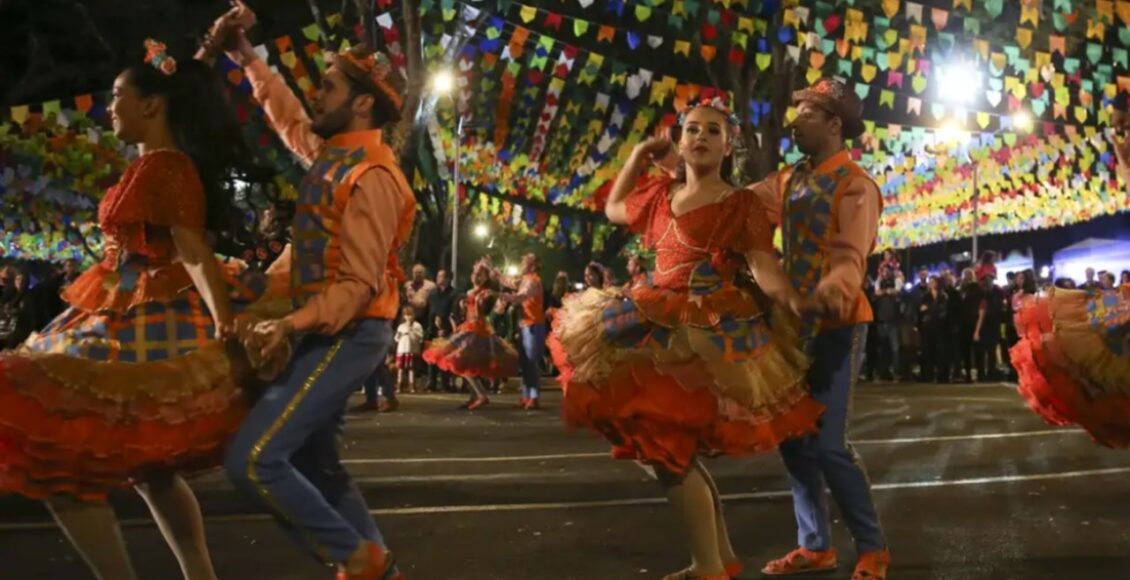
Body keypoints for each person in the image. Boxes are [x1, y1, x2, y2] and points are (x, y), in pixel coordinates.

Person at [0, 35, 264, 580]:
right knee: (151, 471)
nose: (108, 105)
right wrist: (208, 52)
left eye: (118, 94)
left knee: (64, 465)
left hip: (140, 314)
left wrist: (225, 326)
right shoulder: (155, 162)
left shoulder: (164, 167)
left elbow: (190, 248)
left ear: (150, 104)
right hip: (118, 306)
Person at [551, 97, 823, 580]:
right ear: (679, 141)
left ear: (729, 144)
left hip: (704, 333)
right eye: (692, 129)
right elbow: (614, 208)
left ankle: (710, 567)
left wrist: (794, 299)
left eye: (713, 131)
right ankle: (719, 559)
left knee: (666, 448)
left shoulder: (740, 204)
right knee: (667, 449)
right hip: (651, 320)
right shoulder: (660, 194)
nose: (701, 137)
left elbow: (763, 264)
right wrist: (637, 155)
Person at [214, 7, 415, 579]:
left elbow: (356, 287)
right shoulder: (334, 156)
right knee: (320, 469)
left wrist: (288, 324)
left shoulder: (373, 175)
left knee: (253, 460)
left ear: (362, 103)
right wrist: (247, 56)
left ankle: (355, 558)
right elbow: (286, 116)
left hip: (350, 332)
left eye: (328, 86)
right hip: (324, 327)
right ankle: (379, 571)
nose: (315, 93)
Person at [744, 78, 889, 578]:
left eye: (806, 112)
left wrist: (833, 290)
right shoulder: (789, 179)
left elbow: (852, 254)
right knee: (793, 440)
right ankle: (815, 545)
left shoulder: (856, 184)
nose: (795, 119)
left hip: (840, 324)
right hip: (792, 327)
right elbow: (741, 210)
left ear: (834, 124)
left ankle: (872, 549)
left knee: (828, 443)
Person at [423, 262, 519, 410]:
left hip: (477, 330)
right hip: (468, 327)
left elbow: (487, 310)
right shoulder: (469, 292)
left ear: (485, 277)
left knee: (463, 363)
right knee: (464, 363)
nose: (476, 277)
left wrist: (483, 300)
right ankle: (474, 395)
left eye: (480, 275)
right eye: (475, 274)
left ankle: (481, 395)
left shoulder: (486, 292)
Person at [498, 253, 546, 409]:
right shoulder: (525, 279)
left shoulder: (533, 280)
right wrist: (498, 275)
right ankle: (527, 395)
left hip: (533, 324)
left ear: (531, 265)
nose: (520, 264)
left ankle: (534, 396)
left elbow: (522, 296)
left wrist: (504, 296)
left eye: (523, 262)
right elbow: (511, 283)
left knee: (531, 362)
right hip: (525, 324)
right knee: (525, 362)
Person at [424, 269, 457, 392]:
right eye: (437, 276)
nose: (438, 278)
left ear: (448, 279)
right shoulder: (432, 294)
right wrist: (430, 329)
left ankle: (445, 383)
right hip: (433, 330)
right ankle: (431, 382)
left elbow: (454, 313)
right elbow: (429, 311)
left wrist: (447, 329)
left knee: (445, 358)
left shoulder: (454, 294)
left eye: (441, 276)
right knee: (432, 357)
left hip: (447, 330)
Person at [871, 268, 901, 381]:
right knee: (882, 349)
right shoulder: (878, 284)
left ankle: (896, 372)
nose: (885, 274)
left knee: (895, 349)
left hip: (892, 322)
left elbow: (898, 291)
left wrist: (891, 290)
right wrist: (883, 291)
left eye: (887, 272)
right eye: (883, 272)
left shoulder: (895, 283)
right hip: (881, 322)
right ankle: (881, 372)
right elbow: (875, 293)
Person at [919, 275, 949, 382]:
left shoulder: (943, 296)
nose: (931, 283)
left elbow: (943, 311)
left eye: (933, 281)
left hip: (940, 327)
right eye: (930, 281)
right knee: (928, 352)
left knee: (941, 352)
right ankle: (928, 375)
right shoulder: (925, 296)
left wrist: (930, 309)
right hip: (928, 327)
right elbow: (921, 310)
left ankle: (942, 376)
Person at [956, 268, 983, 383]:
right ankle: (967, 374)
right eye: (965, 275)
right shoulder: (960, 288)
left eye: (969, 275)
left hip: (973, 321)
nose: (967, 277)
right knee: (965, 350)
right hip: (962, 322)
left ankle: (979, 373)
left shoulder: (976, 288)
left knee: (976, 349)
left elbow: (979, 301)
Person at [394, 306, 425, 393]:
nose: (408, 317)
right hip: (402, 349)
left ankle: (411, 386)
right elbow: (396, 338)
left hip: (412, 349)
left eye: (410, 315)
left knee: (411, 368)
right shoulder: (401, 326)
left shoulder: (417, 325)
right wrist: (399, 335)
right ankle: (399, 385)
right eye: (406, 315)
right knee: (400, 368)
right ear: (403, 316)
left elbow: (420, 337)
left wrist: (411, 330)